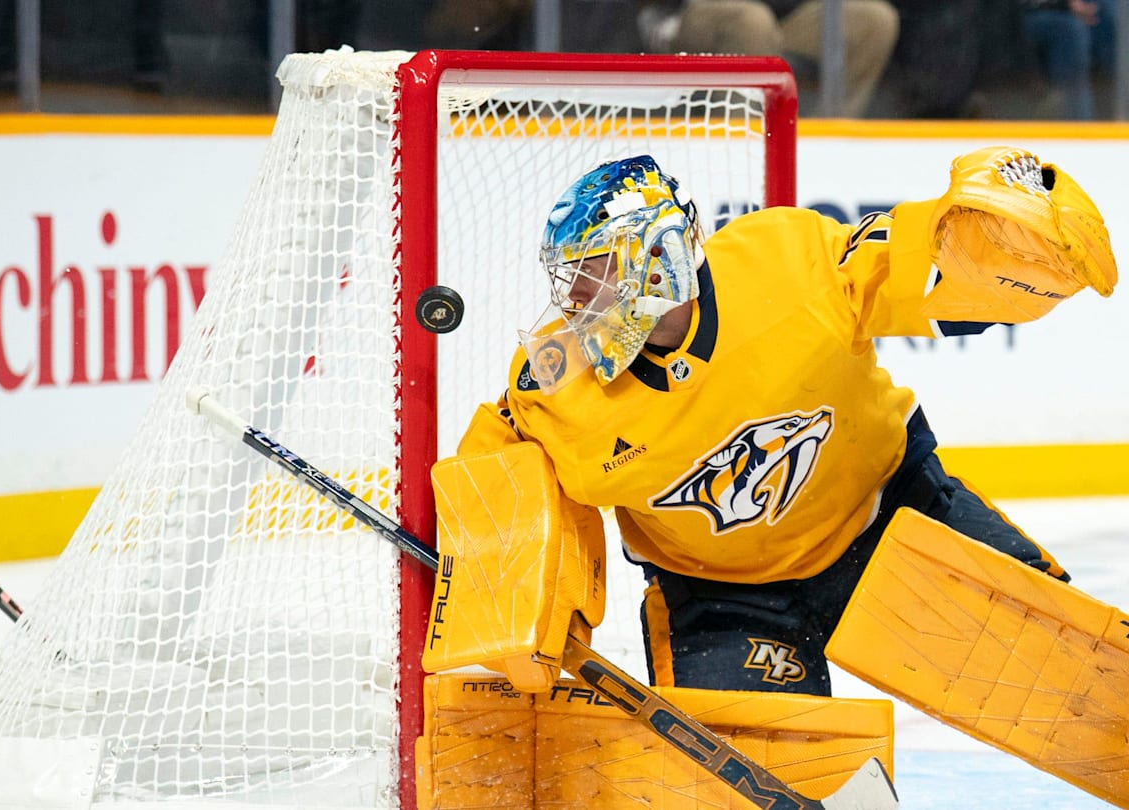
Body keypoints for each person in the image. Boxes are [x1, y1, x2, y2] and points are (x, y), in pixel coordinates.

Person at [427, 152, 1120, 792]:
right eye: (569, 276)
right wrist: (518, 602)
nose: (577, 298)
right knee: (752, 783)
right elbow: (507, 484)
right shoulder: (556, 390)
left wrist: (983, 242)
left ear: (660, 260)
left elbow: (915, 272)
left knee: (1080, 680)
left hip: (890, 521)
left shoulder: (784, 262)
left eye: (595, 270)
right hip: (724, 601)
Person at [638, 0, 899, 117]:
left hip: (779, 19)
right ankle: (742, 147)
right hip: (683, 15)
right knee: (750, 22)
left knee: (873, 20)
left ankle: (826, 140)